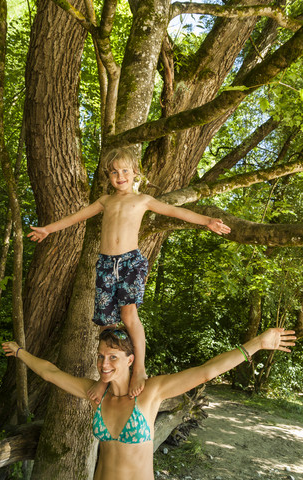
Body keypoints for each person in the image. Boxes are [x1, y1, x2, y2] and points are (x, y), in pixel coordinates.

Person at [27, 147, 231, 400]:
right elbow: (76, 217)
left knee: (128, 314)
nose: (119, 175)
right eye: (114, 172)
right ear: (108, 176)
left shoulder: (142, 200)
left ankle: (139, 369)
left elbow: (177, 212)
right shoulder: (105, 201)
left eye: (125, 170)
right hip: (105, 264)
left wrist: (206, 221)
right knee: (107, 324)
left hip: (130, 262)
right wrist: (48, 229)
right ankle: (105, 378)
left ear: (135, 173)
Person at [2, 327, 295, 480]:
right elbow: (51, 373)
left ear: (130, 360)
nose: (104, 363)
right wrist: (19, 353)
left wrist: (256, 344)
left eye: (113, 357)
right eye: (101, 356)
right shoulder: (95, 394)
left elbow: (206, 371)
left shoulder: (150, 392)